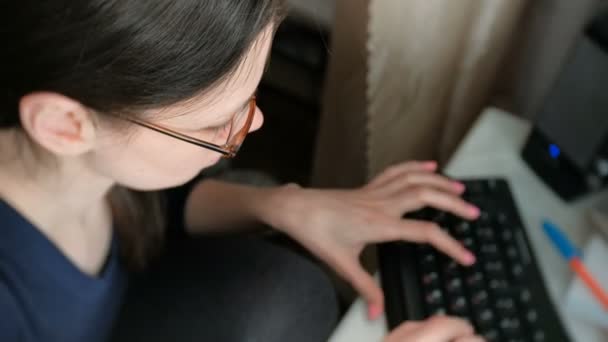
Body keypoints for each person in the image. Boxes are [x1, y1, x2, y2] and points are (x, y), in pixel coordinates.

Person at [0, 1, 484, 341]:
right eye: (215, 123)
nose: (255, 123)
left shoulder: (79, 164)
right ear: (64, 125)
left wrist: (280, 205)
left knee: (289, 292)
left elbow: (154, 205)